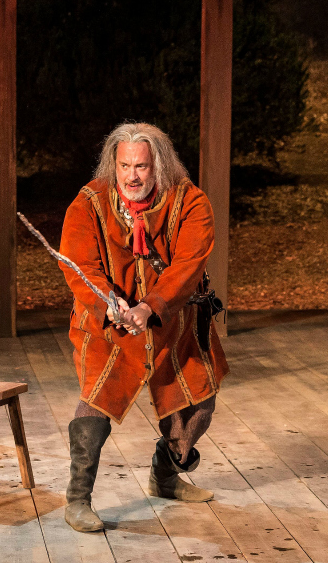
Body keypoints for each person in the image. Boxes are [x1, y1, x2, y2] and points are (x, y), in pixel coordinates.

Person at [59, 123, 229, 532]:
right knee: (97, 405)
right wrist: (110, 302)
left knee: (199, 401)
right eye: (124, 166)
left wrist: (151, 307)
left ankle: (166, 474)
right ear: (112, 166)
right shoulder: (88, 204)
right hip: (108, 326)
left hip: (173, 323)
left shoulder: (190, 201)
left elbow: (189, 265)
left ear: (159, 166)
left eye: (142, 166)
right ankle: (77, 499)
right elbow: (81, 265)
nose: (132, 176)